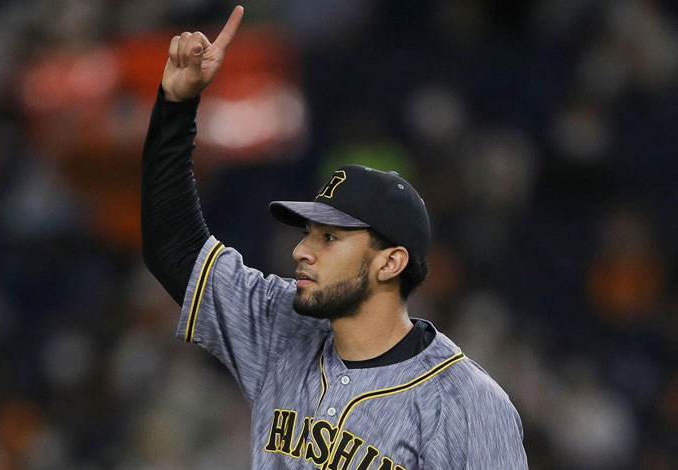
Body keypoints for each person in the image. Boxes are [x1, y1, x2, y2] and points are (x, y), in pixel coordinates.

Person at [141, 5, 528, 469]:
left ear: (390, 262)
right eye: (309, 233)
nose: (301, 250)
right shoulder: (280, 329)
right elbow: (174, 248)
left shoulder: (469, 405)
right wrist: (176, 106)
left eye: (329, 238)